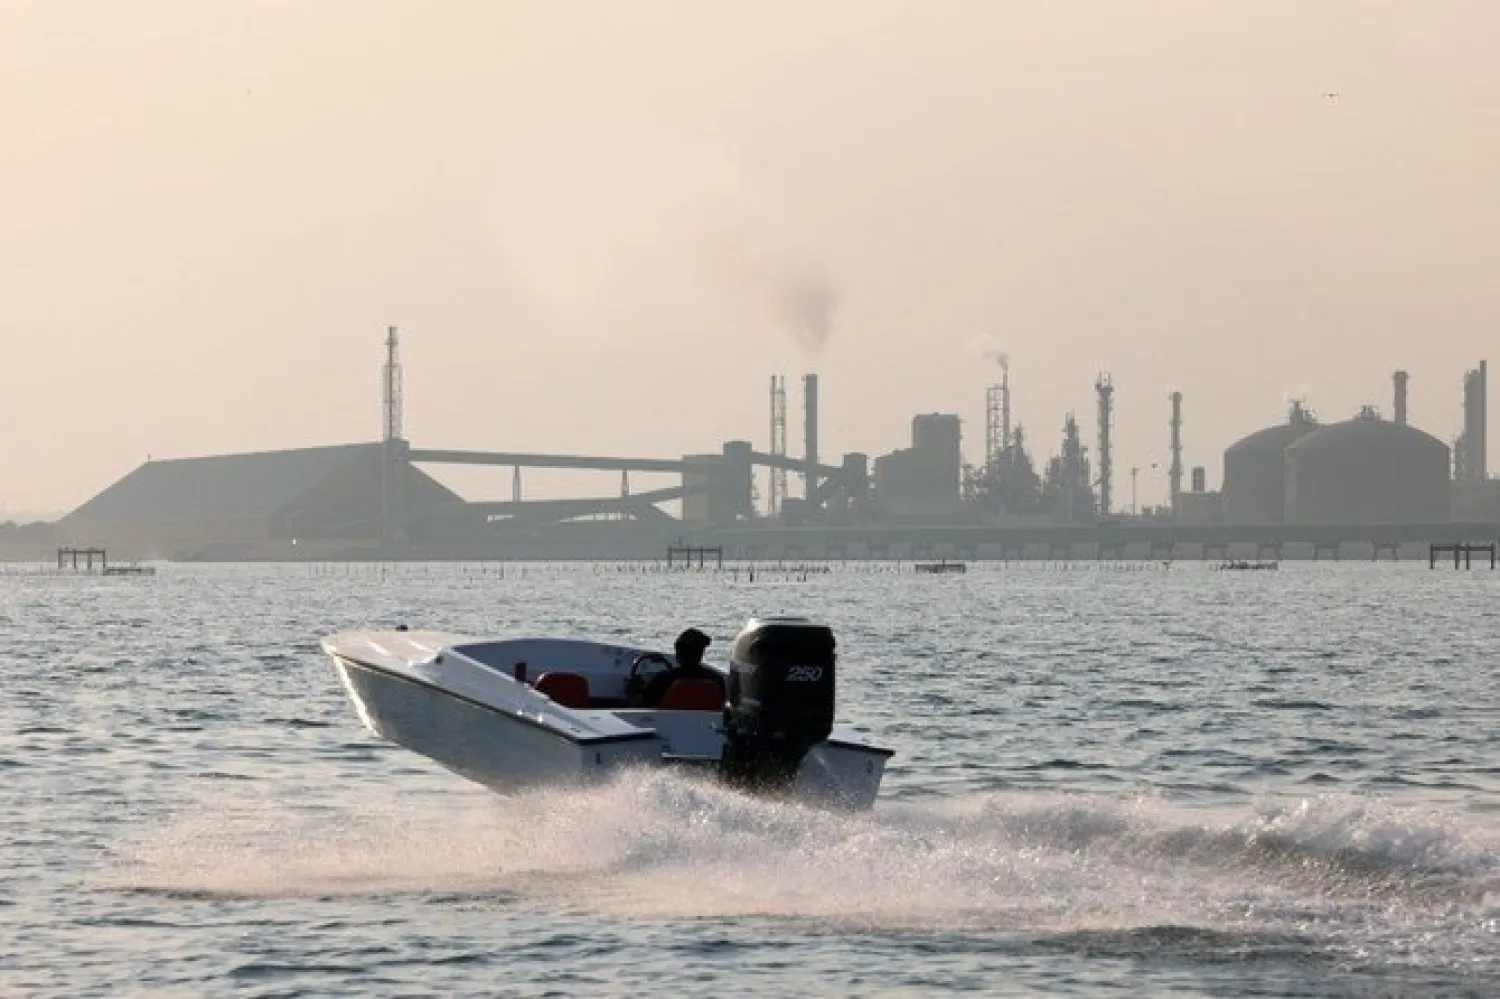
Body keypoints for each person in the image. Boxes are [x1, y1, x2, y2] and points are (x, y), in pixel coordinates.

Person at [642, 627, 725, 707]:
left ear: (678, 654)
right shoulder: (716, 680)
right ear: (701, 654)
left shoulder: (662, 680)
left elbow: (643, 703)